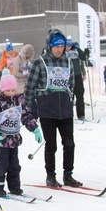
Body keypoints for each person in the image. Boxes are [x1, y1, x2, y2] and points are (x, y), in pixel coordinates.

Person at [24, 29, 82, 188]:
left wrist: (70, 100)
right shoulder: (39, 63)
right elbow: (29, 88)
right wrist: (31, 109)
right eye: (56, 46)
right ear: (49, 46)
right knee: (51, 145)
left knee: (69, 143)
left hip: (65, 110)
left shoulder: (68, 62)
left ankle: (68, 174)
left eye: (62, 46)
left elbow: (71, 85)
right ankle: (51, 176)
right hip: (47, 110)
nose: (60, 49)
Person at [0, 71, 41, 197]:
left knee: (14, 164)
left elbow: (26, 116)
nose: (11, 93)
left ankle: (15, 186)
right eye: (8, 90)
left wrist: (35, 129)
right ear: (2, 90)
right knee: (2, 163)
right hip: (2, 139)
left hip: (14, 139)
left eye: (13, 90)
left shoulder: (19, 102)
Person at [65, 38, 87, 120]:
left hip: (77, 75)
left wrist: (85, 54)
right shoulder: (62, 51)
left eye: (69, 46)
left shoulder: (76, 50)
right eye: (66, 46)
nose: (68, 48)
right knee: (69, 96)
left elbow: (83, 57)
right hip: (67, 76)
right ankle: (68, 113)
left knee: (80, 95)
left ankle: (81, 114)